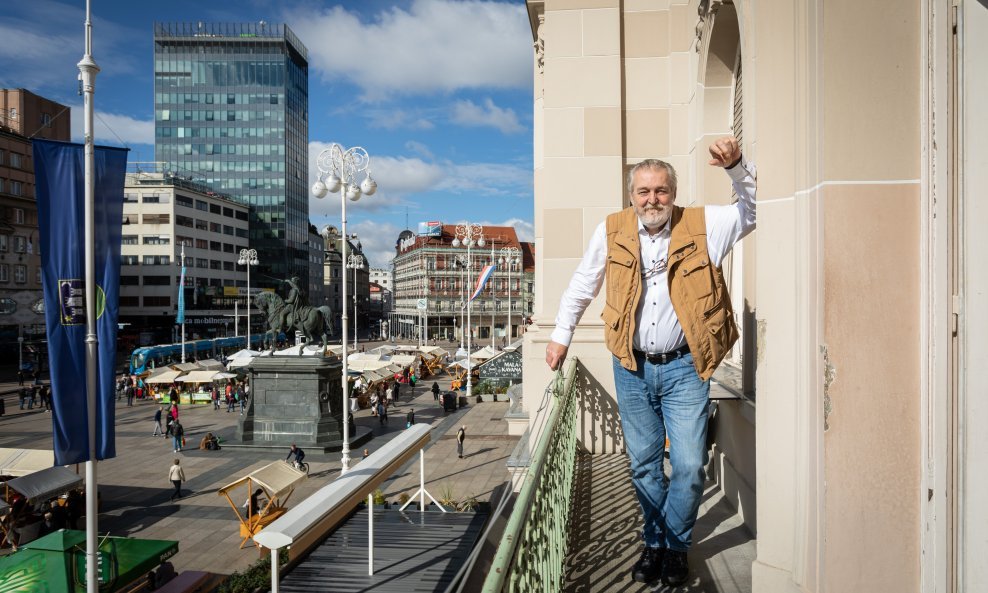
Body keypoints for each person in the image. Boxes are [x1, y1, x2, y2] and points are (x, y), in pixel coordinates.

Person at [544, 137, 755, 587]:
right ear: (632, 196)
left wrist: (737, 167)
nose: (652, 199)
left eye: (660, 190)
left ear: (672, 194)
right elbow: (584, 284)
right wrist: (560, 336)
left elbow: (752, 212)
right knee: (642, 464)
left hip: (684, 366)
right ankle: (655, 541)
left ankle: (675, 547)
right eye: (643, 191)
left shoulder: (703, 225)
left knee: (687, 464)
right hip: (632, 366)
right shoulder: (611, 230)